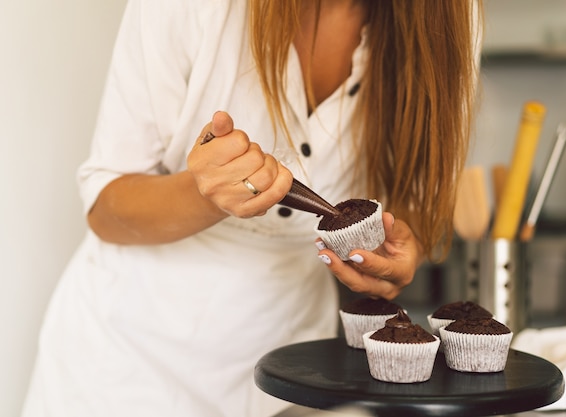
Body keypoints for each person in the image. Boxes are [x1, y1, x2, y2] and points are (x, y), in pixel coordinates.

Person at [21, 1, 482, 416]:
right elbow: (106, 208)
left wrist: (397, 252)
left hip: (290, 375)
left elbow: (413, 204)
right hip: (125, 370)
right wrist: (204, 192)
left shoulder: (453, 17)